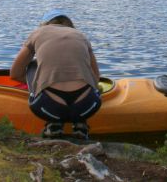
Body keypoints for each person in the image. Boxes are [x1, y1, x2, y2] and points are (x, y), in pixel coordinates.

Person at [10, 9, 101, 139]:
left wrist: (39, 81)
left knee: (32, 66)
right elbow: (96, 78)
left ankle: (54, 123)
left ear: (46, 24)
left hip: (48, 107)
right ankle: (80, 124)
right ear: (69, 24)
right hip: (87, 106)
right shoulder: (81, 36)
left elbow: (14, 73)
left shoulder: (38, 33)